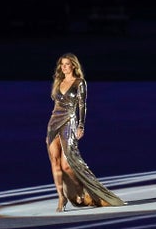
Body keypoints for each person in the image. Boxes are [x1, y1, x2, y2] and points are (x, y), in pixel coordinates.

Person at [46, 53, 125, 212]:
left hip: (70, 122)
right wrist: (49, 132)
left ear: (74, 65)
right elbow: (56, 106)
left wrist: (81, 126)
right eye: (62, 64)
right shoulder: (58, 82)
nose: (64, 67)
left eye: (67, 64)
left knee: (67, 164)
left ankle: (82, 190)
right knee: (55, 163)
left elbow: (82, 105)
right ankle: (61, 197)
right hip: (53, 124)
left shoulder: (80, 83)